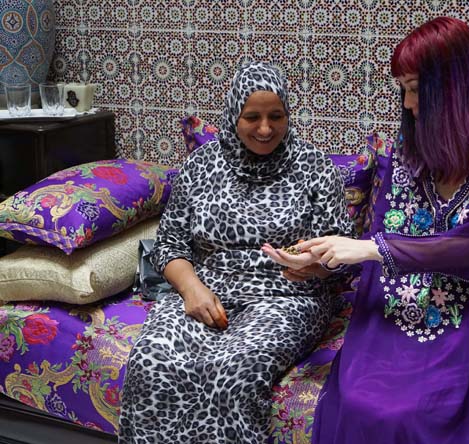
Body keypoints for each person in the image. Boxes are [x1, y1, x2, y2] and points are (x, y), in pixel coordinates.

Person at [262, 17, 469, 444]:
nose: (409, 105)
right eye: (404, 90)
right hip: (389, 323)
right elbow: (379, 250)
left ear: (456, 87)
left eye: (416, 88)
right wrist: (322, 264)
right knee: (360, 399)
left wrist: (363, 250)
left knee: (420, 412)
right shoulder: (410, 156)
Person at [118, 62, 353, 443]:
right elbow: (171, 245)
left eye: (276, 116)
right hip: (208, 290)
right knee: (151, 362)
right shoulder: (201, 165)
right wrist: (191, 289)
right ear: (234, 115)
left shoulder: (314, 167)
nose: (265, 129)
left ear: (288, 114)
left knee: (233, 371)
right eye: (253, 117)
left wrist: (313, 267)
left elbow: (340, 253)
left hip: (287, 296)